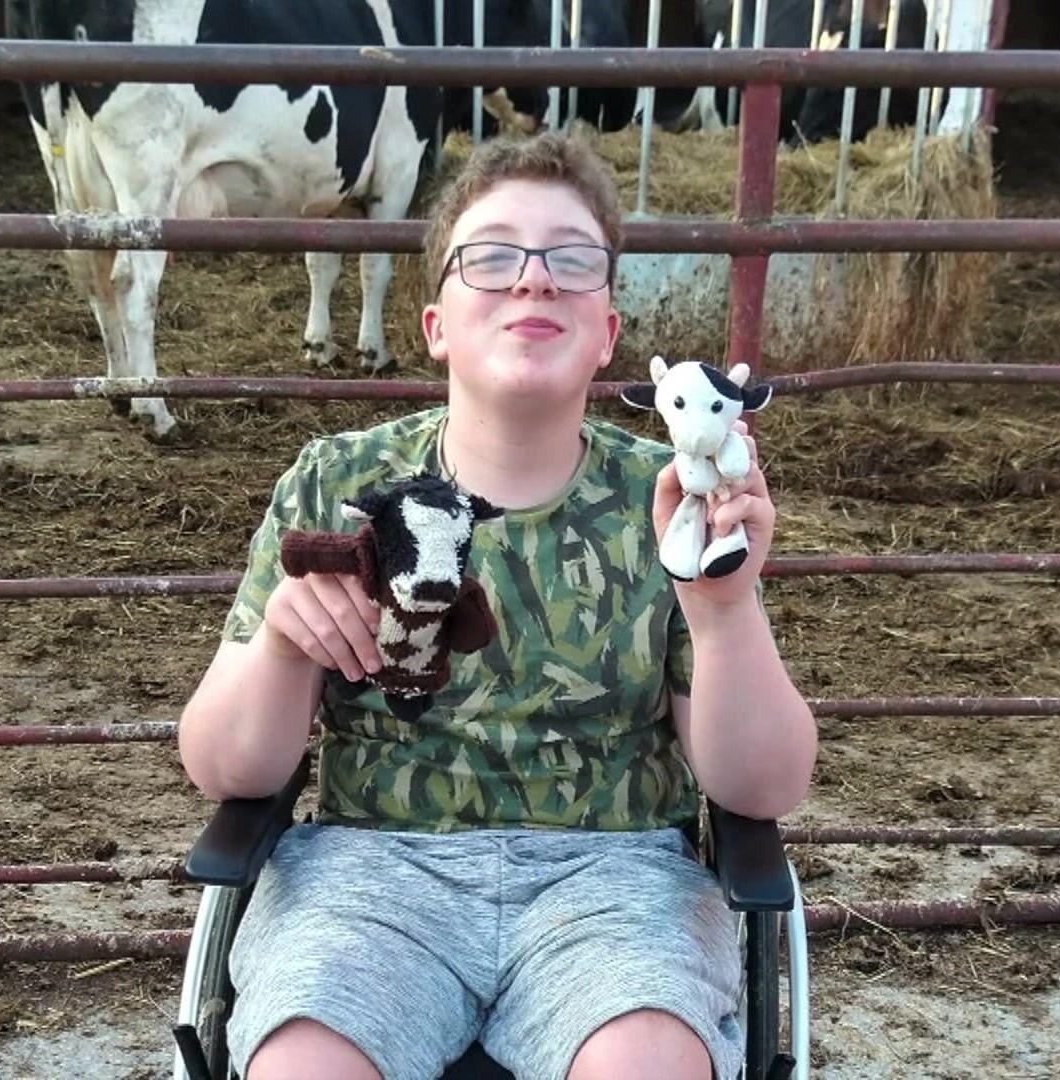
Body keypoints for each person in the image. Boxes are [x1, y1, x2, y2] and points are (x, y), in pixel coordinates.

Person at [178, 131, 817, 1080]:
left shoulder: (674, 503)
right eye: (492, 255)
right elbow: (225, 765)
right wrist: (279, 647)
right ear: (435, 322)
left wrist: (723, 613)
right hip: (372, 877)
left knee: (647, 1065)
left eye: (571, 258)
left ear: (608, 330)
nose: (533, 280)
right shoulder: (340, 482)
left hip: (615, 885)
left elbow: (761, 791)